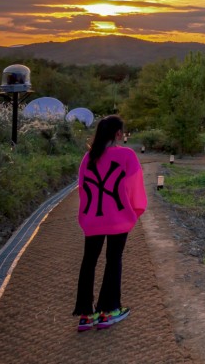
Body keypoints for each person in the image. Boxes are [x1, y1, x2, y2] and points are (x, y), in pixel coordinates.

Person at [72, 115, 147, 331]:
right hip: (118, 219)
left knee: (89, 262)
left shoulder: (88, 158)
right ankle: (109, 311)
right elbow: (135, 189)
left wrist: (87, 215)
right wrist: (133, 212)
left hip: (93, 219)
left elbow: (83, 190)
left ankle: (86, 314)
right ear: (118, 134)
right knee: (113, 260)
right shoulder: (127, 155)